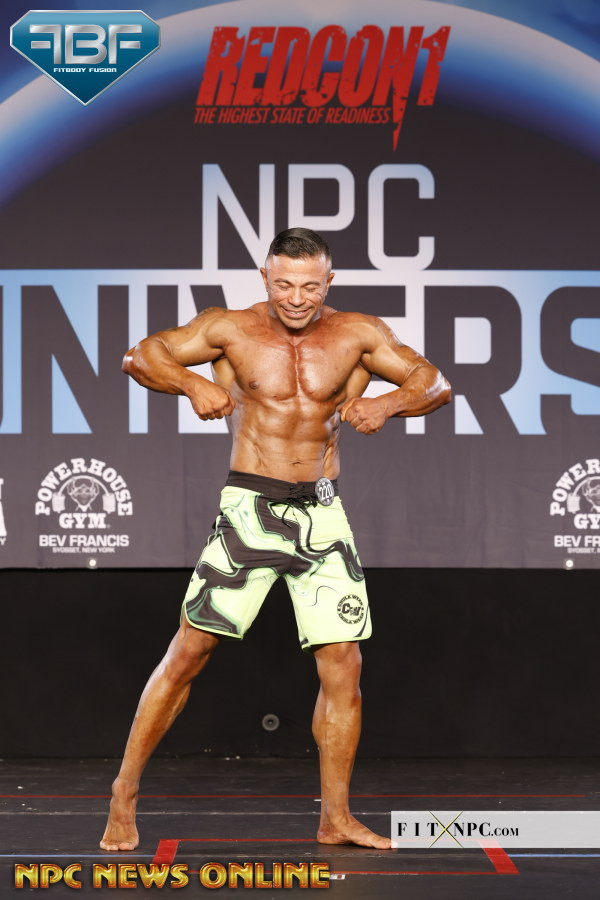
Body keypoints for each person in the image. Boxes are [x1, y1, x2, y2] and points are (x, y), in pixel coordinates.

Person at [100, 227, 451, 852]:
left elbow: (434, 382)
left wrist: (390, 403)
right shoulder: (229, 328)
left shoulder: (358, 333)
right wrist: (193, 384)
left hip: (322, 514)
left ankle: (335, 818)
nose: (296, 298)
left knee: (344, 665)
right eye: (284, 284)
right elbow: (141, 356)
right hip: (250, 509)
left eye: (310, 286)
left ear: (329, 282)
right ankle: (124, 791)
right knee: (190, 651)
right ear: (265, 277)